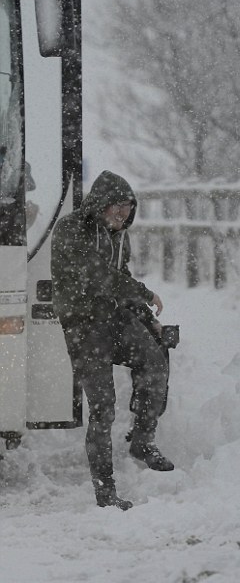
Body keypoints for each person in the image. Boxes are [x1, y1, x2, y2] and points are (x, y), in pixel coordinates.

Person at [51, 170, 174, 511]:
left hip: (114, 318)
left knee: (154, 363)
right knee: (102, 409)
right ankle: (106, 492)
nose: (123, 214)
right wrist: (145, 293)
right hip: (83, 324)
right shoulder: (71, 229)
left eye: (128, 208)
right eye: (117, 207)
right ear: (99, 204)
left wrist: (150, 321)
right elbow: (98, 276)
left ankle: (143, 440)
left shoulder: (121, 237)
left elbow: (121, 279)